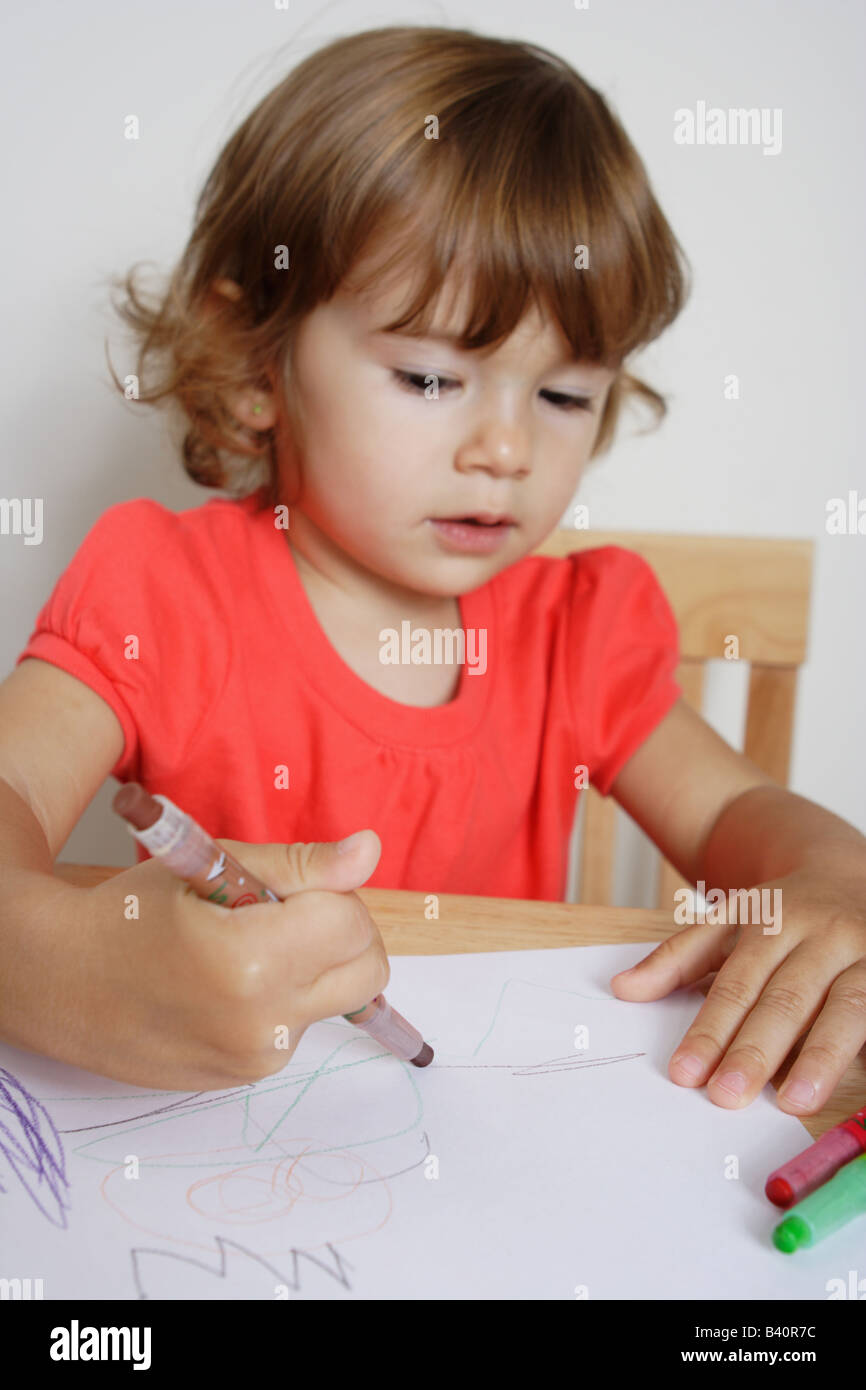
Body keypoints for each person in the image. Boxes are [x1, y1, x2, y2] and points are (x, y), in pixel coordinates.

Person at [1, 26, 863, 1109]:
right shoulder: (163, 592)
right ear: (259, 360)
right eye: (426, 379)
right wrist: (54, 967)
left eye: (562, 396)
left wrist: (836, 878)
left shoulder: (577, 630)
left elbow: (742, 813)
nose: (503, 448)